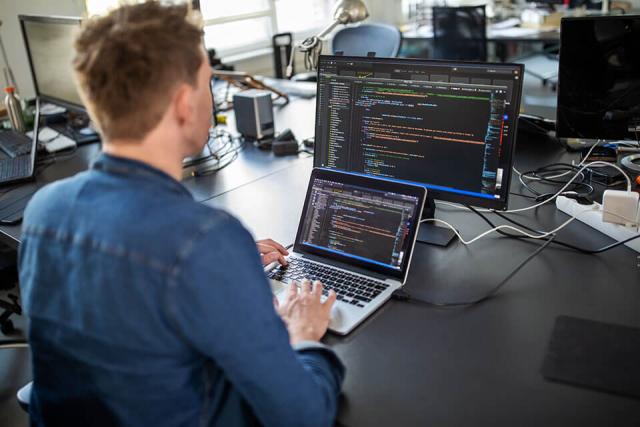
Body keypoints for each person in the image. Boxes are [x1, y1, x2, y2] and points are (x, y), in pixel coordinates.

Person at [18, 2, 344, 426]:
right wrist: (301, 338)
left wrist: (226, 270)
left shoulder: (44, 210)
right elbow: (305, 414)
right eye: (208, 81)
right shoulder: (204, 241)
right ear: (183, 103)